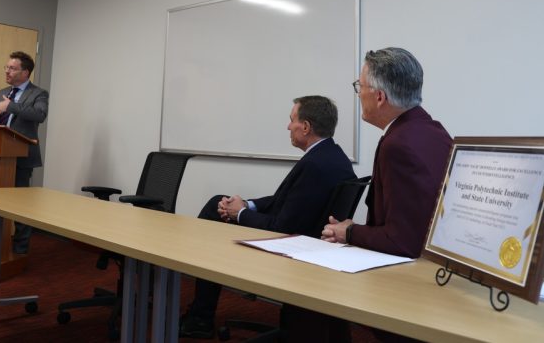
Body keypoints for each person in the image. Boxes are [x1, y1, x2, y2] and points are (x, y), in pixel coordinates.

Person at [179, 95, 356, 339]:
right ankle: (200, 312)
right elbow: (282, 200)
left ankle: (200, 315)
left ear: (305, 127)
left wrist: (239, 214)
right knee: (219, 202)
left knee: (213, 209)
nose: (287, 126)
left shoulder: (314, 165)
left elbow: (280, 227)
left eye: (291, 119)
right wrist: (246, 205)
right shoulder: (333, 156)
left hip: (291, 246)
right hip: (309, 240)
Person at [318, 47, 452, 343]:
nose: (358, 95)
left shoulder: (397, 145)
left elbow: (403, 241)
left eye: (360, 87)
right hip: (441, 275)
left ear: (379, 97)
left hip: (409, 291)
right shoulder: (433, 129)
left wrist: (349, 232)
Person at [0, 51, 49, 255]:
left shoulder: (38, 93)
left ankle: (20, 249)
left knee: (21, 205)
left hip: (21, 157)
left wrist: (11, 106)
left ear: (25, 72)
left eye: (12, 68)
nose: (7, 71)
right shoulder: (3, 91)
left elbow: (39, 115)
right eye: (6, 67)